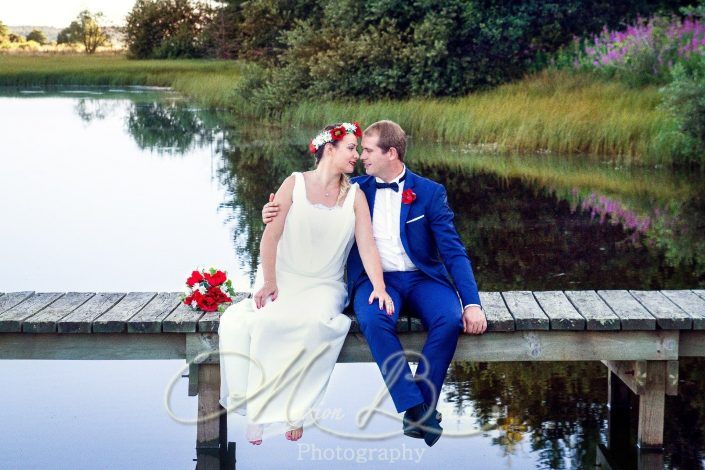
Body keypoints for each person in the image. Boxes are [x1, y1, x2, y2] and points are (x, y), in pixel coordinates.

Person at [262, 120, 487, 447]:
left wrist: (472, 303)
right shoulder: (355, 189)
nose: (361, 157)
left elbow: (454, 253)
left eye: (367, 151)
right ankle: (413, 405)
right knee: (372, 318)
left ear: (390, 153)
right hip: (376, 279)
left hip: (424, 278)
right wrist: (268, 212)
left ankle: (420, 409)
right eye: (359, 150)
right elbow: (309, 203)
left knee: (449, 319)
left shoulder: (430, 193)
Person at [218, 122, 394, 446]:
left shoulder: (355, 195)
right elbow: (270, 235)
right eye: (351, 148)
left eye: (357, 149)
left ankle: (295, 411)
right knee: (265, 321)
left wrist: (379, 287)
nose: (356, 155)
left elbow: (368, 245)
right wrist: (269, 282)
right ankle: (258, 412)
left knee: (314, 325)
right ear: (330, 149)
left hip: (325, 285)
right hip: (286, 277)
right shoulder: (294, 183)